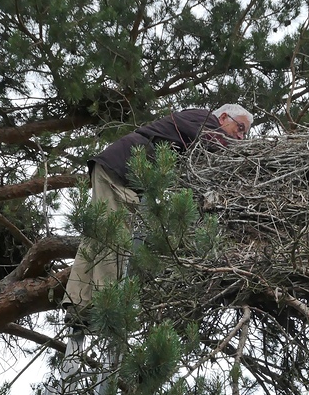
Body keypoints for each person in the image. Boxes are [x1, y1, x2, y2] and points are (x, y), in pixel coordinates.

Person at [64, 104, 253, 319]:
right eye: (240, 129)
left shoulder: (196, 124)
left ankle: (77, 304)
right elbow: (219, 151)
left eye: (244, 134)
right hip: (122, 171)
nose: (240, 137)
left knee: (98, 235)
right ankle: (102, 308)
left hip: (118, 168)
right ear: (224, 117)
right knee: (114, 236)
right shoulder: (205, 121)